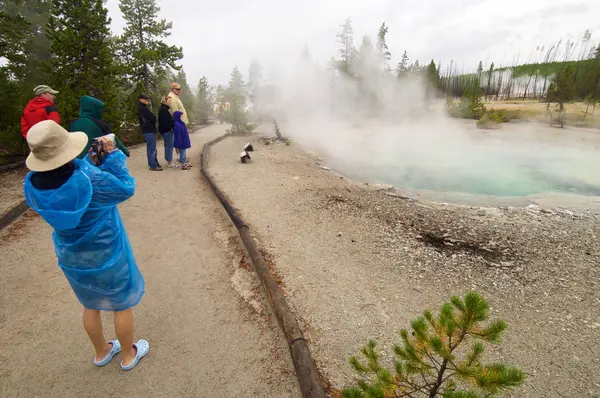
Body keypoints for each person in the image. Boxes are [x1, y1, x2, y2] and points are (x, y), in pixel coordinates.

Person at [23, 120, 149, 371]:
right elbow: (126, 188)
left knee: (90, 303)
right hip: (107, 251)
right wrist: (112, 157)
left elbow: (68, 187)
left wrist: (88, 164)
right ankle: (127, 355)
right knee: (121, 302)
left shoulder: (32, 183)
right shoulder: (88, 176)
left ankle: (102, 351)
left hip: (72, 255)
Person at [137, 94, 162, 171]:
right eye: (146, 99)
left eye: (147, 99)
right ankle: (153, 165)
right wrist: (153, 118)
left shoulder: (143, 108)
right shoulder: (142, 109)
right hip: (149, 130)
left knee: (151, 148)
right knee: (152, 149)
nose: (147, 100)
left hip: (148, 130)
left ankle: (154, 162)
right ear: (141, 99)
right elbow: (153, 118)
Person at [158, 95, 175, 167]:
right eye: (169, 100)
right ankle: (169, 162)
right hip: (167, 130)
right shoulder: (164, 110)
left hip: (166, 130)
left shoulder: (164, 109)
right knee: (169, 146)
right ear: (165, 101)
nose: (170, 102)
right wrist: (171, 128)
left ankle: (168, 160)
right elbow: (165, 121)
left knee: (168, 145)